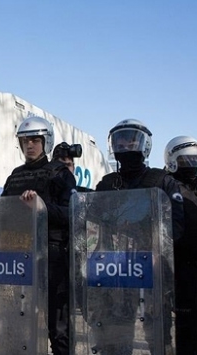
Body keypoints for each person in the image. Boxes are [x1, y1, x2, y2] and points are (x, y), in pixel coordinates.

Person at [92, 118, 184, 354]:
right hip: (116, 272)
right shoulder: (107, 184)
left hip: (153, 269)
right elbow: (91, 222)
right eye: (120, 142)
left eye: (131, 140)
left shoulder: (162, 181)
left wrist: (158, 249)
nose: (126, 146)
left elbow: (177, 225)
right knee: (116, 332)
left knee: (157, 333)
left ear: (144, 145)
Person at [2, 116, 77, 355]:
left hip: (52, 257)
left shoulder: (60, 174)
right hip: (19, 258)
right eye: (25, 141)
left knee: (59, 328)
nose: (30, 145)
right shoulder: (14, 176)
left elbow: (71, 214)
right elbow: (3, 214)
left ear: (46, 142)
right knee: (19, 323)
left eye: (35, 140)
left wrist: (41, 206)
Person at [164, 135, 197, 354]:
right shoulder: (167, 187)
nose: (192, 166)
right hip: (178, 268)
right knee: (184, 330)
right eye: (187, 160)